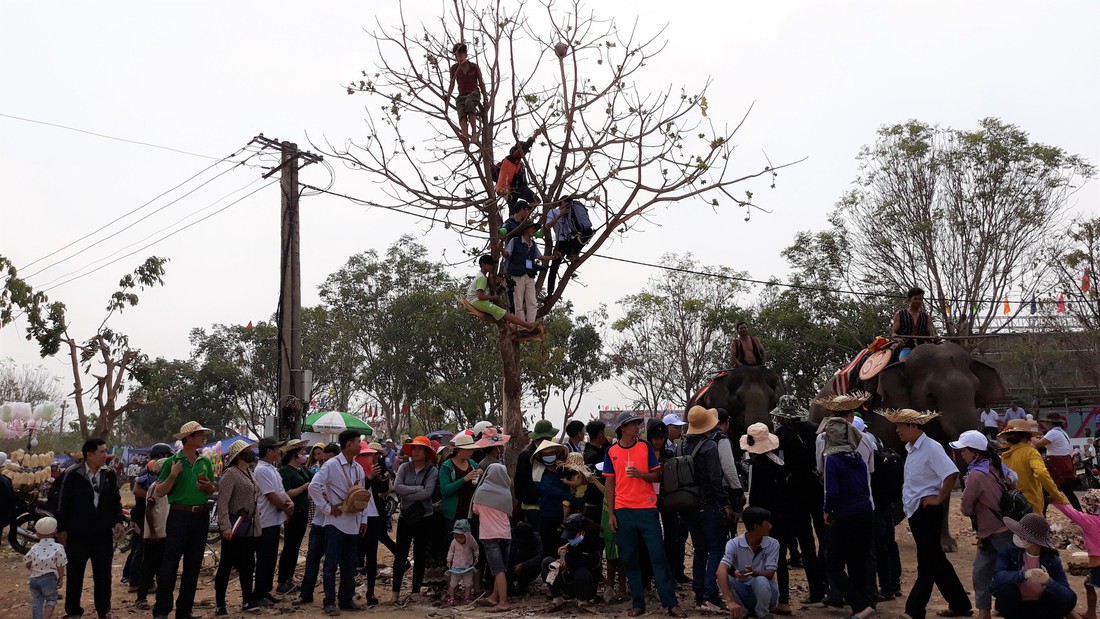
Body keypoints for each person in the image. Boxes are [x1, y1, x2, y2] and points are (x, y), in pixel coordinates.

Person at [880, 408, 972, 619]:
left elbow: (951, 473)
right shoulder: (912, 449)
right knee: (937, 561)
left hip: (927, 511)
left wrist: (939, 498)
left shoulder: (931, 448)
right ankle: (960, 604)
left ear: (913, 426)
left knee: (927, 561)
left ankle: (914, 609)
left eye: (900, 426)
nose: (897, 431)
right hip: (916, 510)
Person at [603, 411, 687, 617]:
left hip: (647, 510)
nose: (637, 427)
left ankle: (670, 602)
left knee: (658, 556)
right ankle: (638, 602)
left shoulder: (645, 447)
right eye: (632, 424)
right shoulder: (612, 451)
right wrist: (611, 513)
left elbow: (658, 474)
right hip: (623, 511)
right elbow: (610, 483)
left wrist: (641, 475)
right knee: (631, 559)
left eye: (637, 424)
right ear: (622, 427)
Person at [770, 396, 829, 605]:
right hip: (817, 489)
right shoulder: (814, 429)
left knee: (806, 542)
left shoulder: (781, 434)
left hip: (795, 494)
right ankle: (829, 583)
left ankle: (815, 591)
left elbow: (778, 463)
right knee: (825, 539)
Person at [154, 421, 216, 619]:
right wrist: (173, 475)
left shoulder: (205, 462)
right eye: (199, 434)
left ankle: (184, 610)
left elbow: (212, 488)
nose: (203, 437)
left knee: (193, 564)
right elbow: (160, 491)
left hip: (200, 515)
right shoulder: (173, 462)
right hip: (179, 516)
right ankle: (162, 610)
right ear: (188, 438)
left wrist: (207, 486)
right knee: (170, 564)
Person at [953, 430, 1018, 619]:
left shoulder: (975, 476)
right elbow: (1014, 478)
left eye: (963, 451)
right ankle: (987, 610)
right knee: (994, 570)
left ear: (974, 452)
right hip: (1003, 528)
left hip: (992, 530)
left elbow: (966, 508)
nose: (961, 454)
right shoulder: (995, 465)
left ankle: (987, 610)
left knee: (986, 572)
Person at [56, 438, 124, 619]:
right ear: (90, 455)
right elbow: (63, 502)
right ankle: (73, 611)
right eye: (102, 452)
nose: (106, 455)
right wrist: (61, 528)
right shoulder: (72, 474)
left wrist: (118, 520)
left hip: (102, 533)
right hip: (78, 534)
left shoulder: (108, 474)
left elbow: (115, 500)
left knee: (103, 574)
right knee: (75, 573)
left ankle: (104, 610)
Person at [820, 418, 877, 619]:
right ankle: (866, 604)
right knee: (857, 561)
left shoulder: (832, 460)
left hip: (845, 514)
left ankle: (859, 606)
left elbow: (832, 492)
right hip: (865, 512)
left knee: (833, 563)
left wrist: (827, 511)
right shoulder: (857, 457)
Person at [309, 429, 368, 615]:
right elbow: (313, 487)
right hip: (335, 523)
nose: (361, 445)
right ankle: (329, 602)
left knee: (350, 564)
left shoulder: (358, 468)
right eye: (358, 442)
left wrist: (364, 519)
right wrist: (327, 508)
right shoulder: (332, 465)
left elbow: (364, 496)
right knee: (331, 564)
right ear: (349, 445)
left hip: (353, 522)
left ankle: (346, 599)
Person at [681, 406, 732, 612]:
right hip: (708, 505)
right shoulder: (709, 446)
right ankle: (711, 595)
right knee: (716, 549)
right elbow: (714, 479)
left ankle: (699, 593)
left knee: (700, 550)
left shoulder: (682, 446)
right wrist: (726, 503)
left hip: (689, 506)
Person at [992, 513, 1077, 619]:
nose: (1018, 536)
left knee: (1064, 599)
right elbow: (998, 576)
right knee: (1007, 590)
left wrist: (1049, 582)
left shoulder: (1051, 559)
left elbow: (1069, 596)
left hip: (1041, 607)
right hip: (1015, 605)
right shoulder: (1010, 551)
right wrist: (1023, 575)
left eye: (1022, 535)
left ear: (1035, 541)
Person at [390, 435, 440, 603]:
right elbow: (397, 488)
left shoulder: (432, 471)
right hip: (405, 517)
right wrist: (418, 489)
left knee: (420, 555)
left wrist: (409, 491)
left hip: (424, 518)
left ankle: (416, 591)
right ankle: (395, 592)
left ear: (427, 452)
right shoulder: (404, 467)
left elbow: (428, 493)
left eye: (420, 449)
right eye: (414, 448)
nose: (417, 451)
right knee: (400, 554)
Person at [214, 440, 261, 615]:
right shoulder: (230, 474)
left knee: (248, 564)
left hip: (249, 526)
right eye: (248, 450)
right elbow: (223, 501)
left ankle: (247, 600)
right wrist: (225, 525)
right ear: (239, 454)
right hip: (234, 526)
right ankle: (220, 603)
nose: (252, 452)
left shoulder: (249, 472)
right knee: (226, 565)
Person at [295, 442, 340, 606]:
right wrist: (327, 506)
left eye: (329, 459)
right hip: (319, 522)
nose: (325, 463)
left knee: (332, 562)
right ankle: (306, 593)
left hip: (336, 523)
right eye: (323, 459)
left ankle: (333, 598)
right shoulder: (320, 473)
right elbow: (312, 492)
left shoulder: (343, 472)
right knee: (312, 558)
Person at [716, 506, 780, 619]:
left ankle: (763, 614)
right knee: (724, 577)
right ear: (756, 526)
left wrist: (753, 573)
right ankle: (741, 611)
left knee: (761, 581)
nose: (771, 526)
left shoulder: (773, 544)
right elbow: (721, 570)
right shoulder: (734, 543)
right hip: (744, 592)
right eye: (767, 523)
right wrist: (730, 601)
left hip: (767, 595)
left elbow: (770, 574)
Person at [253, 437, 293, 606]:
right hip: (265, 520)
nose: (279, 452)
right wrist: (286, 507)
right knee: (264, 558)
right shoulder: (261, 470)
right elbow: (270, 495)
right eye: (276, 449)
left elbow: (281, 491)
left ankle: (266, 590)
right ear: (269, 451)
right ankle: (259, 593)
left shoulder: (273, 469)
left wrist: (290, 501)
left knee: (270, 558)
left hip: (275, 520)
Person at [999, 418, 1066, 515]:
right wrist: (1057, 496)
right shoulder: (1030, 452)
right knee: (1033, 529)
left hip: (1010, 505)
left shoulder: (1004, 456)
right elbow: (1041, 473)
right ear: (1027, 437)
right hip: (1030, 505)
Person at [1051, 489, 1100, 618]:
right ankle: (1091, 613)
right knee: (1088, 584)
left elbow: (1070, 512)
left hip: (1097, 564)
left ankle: (1091, 613)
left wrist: (1056, 500)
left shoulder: (1088, 520)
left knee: (1089, 584)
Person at [471, 462, 513, 611]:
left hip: (489, 535)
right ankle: (494, 597)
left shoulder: (482, 490)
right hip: (506, 534)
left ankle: (503, 602)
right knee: (501, 568)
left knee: (497, 570)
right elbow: (509, 513)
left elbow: (475, 510)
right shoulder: (506, 491)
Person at [542, 513, 603, 610]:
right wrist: (560, 559)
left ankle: (583, 601)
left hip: (586, 584)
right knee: (547, 562)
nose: (570, 539)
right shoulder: (568, 543)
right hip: (567, 581)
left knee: (582, 572)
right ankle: (557, 598)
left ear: (581, 533)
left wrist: (568, 564)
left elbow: (591, 562)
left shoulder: (593, 544)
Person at [467, 254, 542, 331]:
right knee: (503, 313)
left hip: (474, 300)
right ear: (483, 264)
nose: (492, 266)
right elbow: (480, 296)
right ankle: (528, 325)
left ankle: (518, 326)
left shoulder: (481, 276)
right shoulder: (482, 278)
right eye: (489, 264)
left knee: (503, 313)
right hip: (476, 301)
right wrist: (493, 297)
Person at [361, 441, 396, 606]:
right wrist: (369, 477)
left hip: (374, 517)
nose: (372, 458)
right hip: (356, 518)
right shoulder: (354, 470)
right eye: (367, 455)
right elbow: (357, 490)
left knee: (372, 554)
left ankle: (370, 591)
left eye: (373, 455)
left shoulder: (376, 470)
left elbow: (382, 489)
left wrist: (383, 477)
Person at [276, 439, 312, 596]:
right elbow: (286, 493)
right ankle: (282, 580)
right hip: (292, 512)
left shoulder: (302, 470)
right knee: (289, 546)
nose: (305, 454)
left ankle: (289, 578)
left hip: (303, 511)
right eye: (302, 451)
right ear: (294, 454)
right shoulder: (286, 472)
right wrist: (304, 487)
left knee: (295, 546)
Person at [504, 221, 558, 323]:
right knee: (518, 301)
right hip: (517, 275)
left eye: (535, 229)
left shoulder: (533, 244)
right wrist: (501, 250)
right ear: (525, 229)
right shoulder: (515, 241)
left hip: (529, 275)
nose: (534, 231)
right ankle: (521, 326)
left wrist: (553, 257)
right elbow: (507, 254)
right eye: (532, 228)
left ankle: (530, 325)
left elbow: (540, 256)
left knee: (532, 302)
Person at [135, 457, 170, 610]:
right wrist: (153, 531)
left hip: (164, 533)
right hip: (154, 535)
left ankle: (161, 599)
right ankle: (141, 598)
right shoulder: (156, 487)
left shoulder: (169, 486)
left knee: (162, 568)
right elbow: (149, 509)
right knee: (148, 567)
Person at [532, 440, 577, 556]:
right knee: (549, 549)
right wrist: (573, 499)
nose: (549, 456)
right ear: (541, 457)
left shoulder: (562, 471)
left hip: (564, 516)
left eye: (551, 453)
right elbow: (553, 492)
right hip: (548, 515)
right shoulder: (539, 474)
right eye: (546, 455)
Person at [516, 420, 559, 528]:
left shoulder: (548, 451)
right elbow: (520, 481)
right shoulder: (527, 455)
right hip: (533, 506)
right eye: (549, 438)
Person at [1035, 414, 1082, 510]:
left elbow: (1039, 444)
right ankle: (1079, 512)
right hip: (1063, 461)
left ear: (1051, 423)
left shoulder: (1053, 433)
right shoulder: (1061, 432)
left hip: (1056, 463)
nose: (1046, 424)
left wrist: (1030, 437)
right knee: (1066, 490)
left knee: (1048, 488)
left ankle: (1042, 514)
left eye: (1047, 422)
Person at [445, 42, 486, 147]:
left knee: (469, 104)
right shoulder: (454, 68)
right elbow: (452, 83)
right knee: (461, 111)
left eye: (461, 56)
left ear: (466, 55)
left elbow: (481, 82)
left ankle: (474, 134)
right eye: (457, 56)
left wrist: (486, 98)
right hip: (461, 95)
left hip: (473, 93)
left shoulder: (474, 67)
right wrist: (447, 96)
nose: (459, 58)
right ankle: (465, 135)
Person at [439, 432, 482, 532]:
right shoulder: (447, 466)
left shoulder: (472, 463)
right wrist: (464, 479)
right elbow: (444, 490)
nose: (471, 452)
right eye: (468, 449)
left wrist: (480, 473)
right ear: (458, 450)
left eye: (472, 449)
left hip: (472, 512)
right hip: (454, 514)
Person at [26, 516, 66, 619]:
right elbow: (60, 565)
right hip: (49, 579)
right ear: (55, 532)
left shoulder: (34, 547)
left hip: (34, 579)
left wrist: (35, 569)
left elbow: (28, 563)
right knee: (51, 600)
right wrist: (61, 578)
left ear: (37, 534)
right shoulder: (58, 547)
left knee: (37, 600)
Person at [891, 286, 938, 360]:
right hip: (905, 347)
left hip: (923, 348)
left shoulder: (927, 317)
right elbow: (893, 334)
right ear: (909, 299)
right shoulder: (900, 314)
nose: (918, 301)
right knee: (904, 362)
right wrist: (897, 339)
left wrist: (934, 338)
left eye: (920, 299)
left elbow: (929, 336)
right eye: (915, 299)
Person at [445, 519, 479, 606]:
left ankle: (467, 597)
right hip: (455, 567)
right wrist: (449, 560)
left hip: (467, 567)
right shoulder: (454, 542)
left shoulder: (471, 541)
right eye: (456, 536)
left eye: (461, 537)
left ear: (467, 535)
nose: (458, 539)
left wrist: (476, 556)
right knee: (452, 583)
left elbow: (475, 549)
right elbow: (450, 551)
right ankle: (451, 598)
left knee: (468, 583)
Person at [582, 420, 610, 522]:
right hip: (596, 502)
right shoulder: (593, 456)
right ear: (600, 435)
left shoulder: (590, 451)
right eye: (603, 433)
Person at [508, 522, 544, 596]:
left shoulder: (536, 538)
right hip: (510, 564)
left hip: (526, 564)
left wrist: (523, 565)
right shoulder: (510, 534)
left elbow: (540, 555)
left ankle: (523, 585)